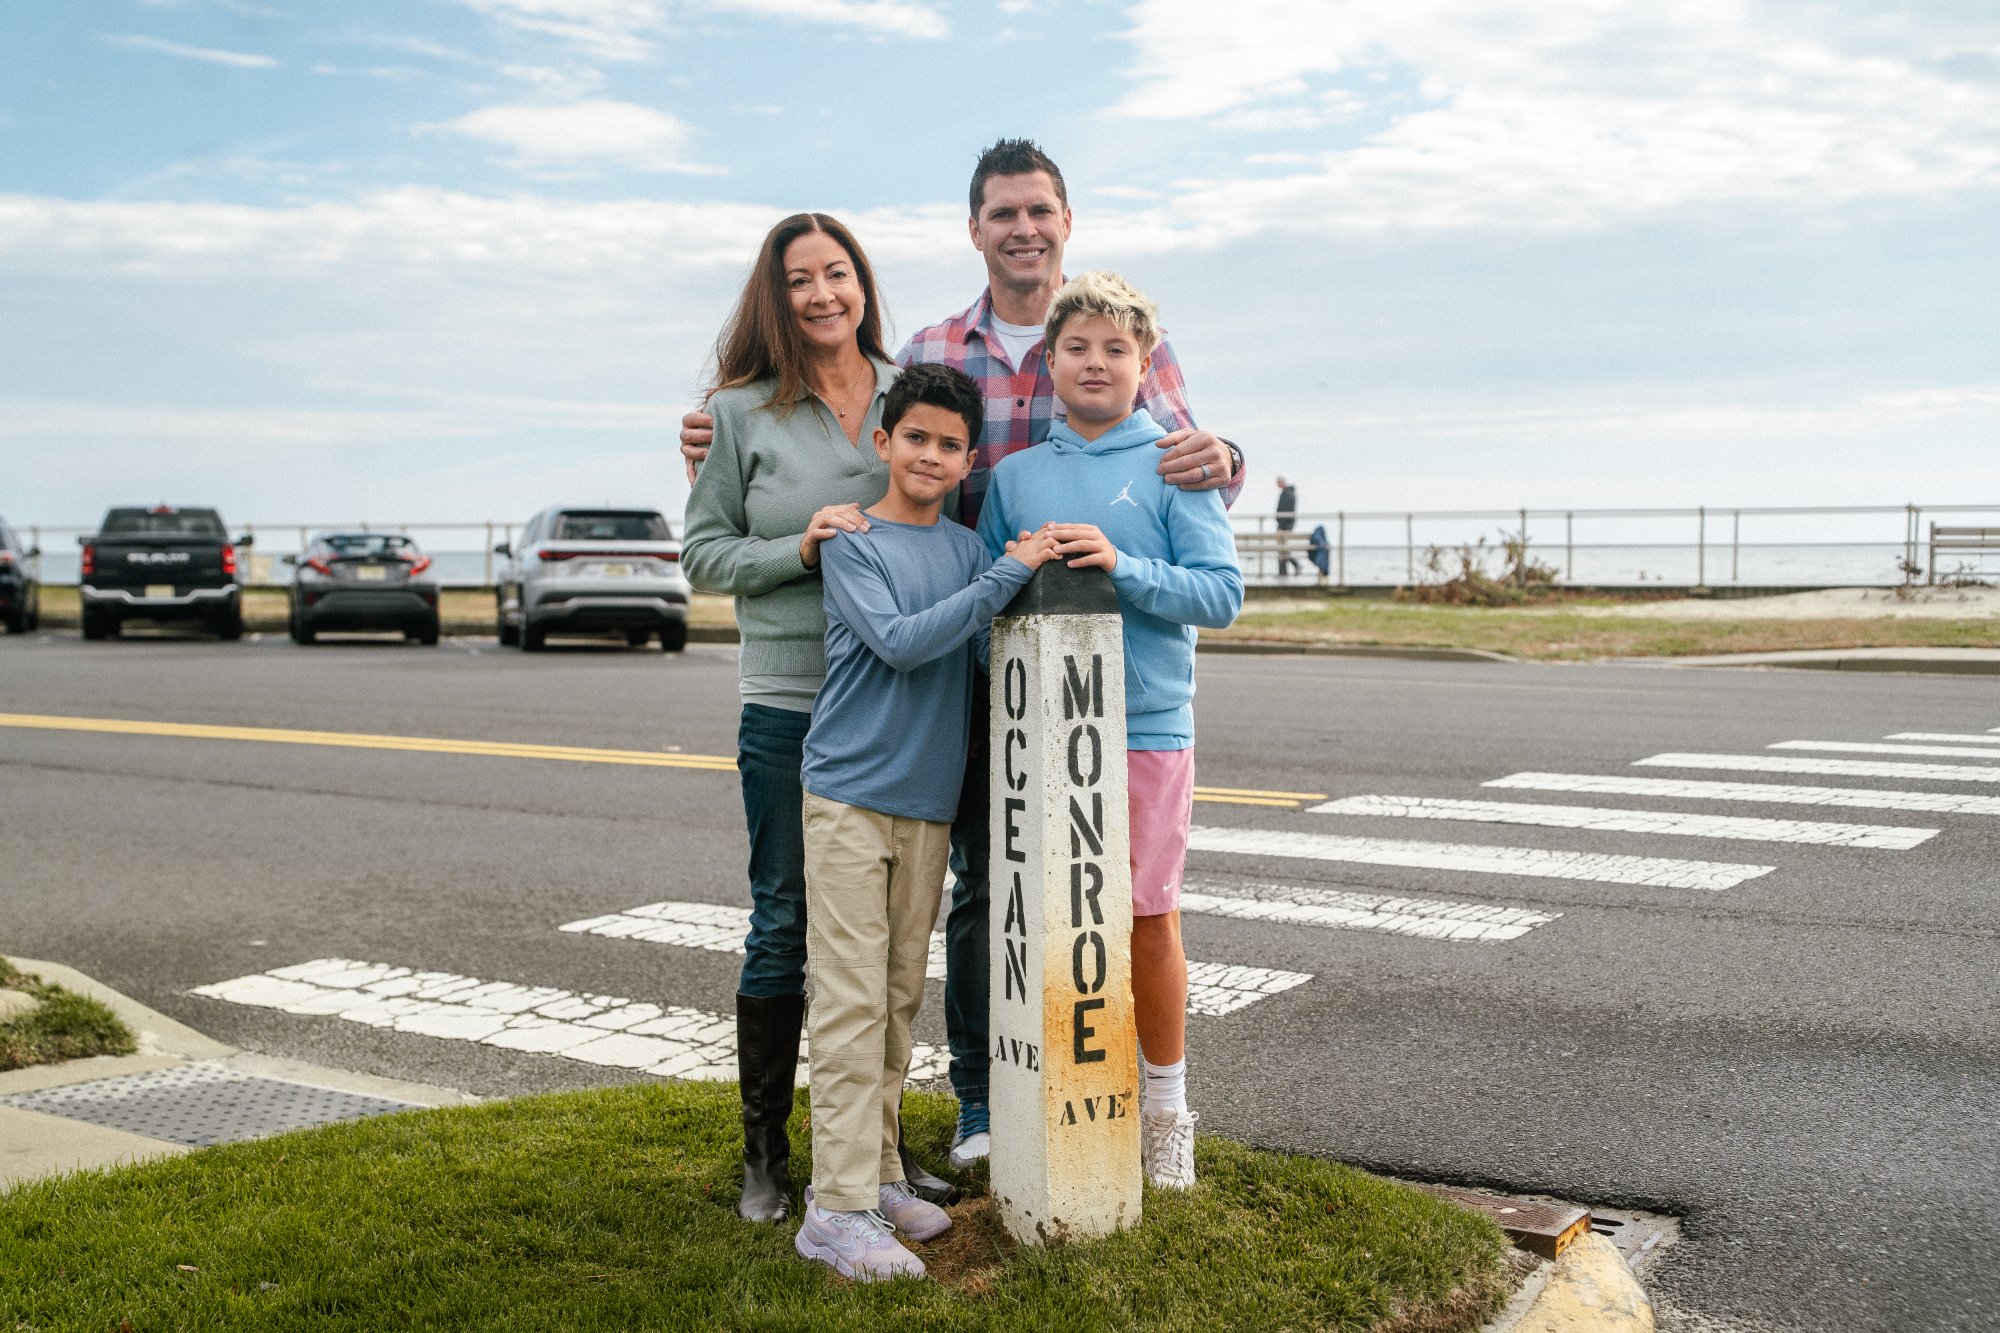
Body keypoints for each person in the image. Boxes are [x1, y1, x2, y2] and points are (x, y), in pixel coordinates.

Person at [681, 139, 1248, 1175]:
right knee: (891, 907)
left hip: (1060, 682)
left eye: (1039, 210)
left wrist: (1232, 460)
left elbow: (1186, 460)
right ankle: (888, 1124)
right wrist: (742, 471)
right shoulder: (932, 348)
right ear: (974, 228)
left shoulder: (1117, 334)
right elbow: (797, 484)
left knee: (1064, 903)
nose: (1021, 229)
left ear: (1065, 221)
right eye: (1001, 213)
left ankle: (1088, 1108)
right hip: (907, 671)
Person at [681, 212, 947, 1226]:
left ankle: (877, 1147)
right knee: (786, 923)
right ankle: (764, 1151)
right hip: (789, 705)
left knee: (885, 939)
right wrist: (798, 545)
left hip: (896, 709)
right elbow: (704, 555)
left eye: (838, 273)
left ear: (862, 283)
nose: (822, 293)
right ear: (775, 296)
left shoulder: (901, 390)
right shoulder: (741, 413)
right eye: (800, 280)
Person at [792, 363, 1060, 1280]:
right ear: (884, 441)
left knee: (899, 998)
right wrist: (1004, 577)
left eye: (950, 444)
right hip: (849, 797)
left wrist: (1032, 567)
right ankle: (834, 1207)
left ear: (967, 457)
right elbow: (904, 645)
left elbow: (986, 649)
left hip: (925, 806)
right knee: (851, 1000)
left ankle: (878, 1174)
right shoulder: (853, 543)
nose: (932, 455)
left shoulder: (962, 551)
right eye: (917, 438)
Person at [975, 271, 1243, 1188]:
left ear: (1145, 363)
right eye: (1079, 347)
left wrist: (1122, 565)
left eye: (1117, 349)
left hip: (1145, 727)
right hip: (1039, 732)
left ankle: (1165, 1108)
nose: (1096, 362)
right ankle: (1069, 1091)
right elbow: (984, 604)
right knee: (1053, 921)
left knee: (1145, 916)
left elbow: (1223, 594)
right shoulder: (1013, 477)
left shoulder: (1174, 461)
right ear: (1049, 363)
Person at [1275, 474, 1299, 576]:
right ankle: (1283, 571)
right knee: (1282, 548)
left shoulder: (1286, 494)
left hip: (1284, 526)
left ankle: (1292, 567)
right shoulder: (1290, 493)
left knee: (1282, 548)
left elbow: (1284, 511)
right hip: (1287, 525)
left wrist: (1281, 526)